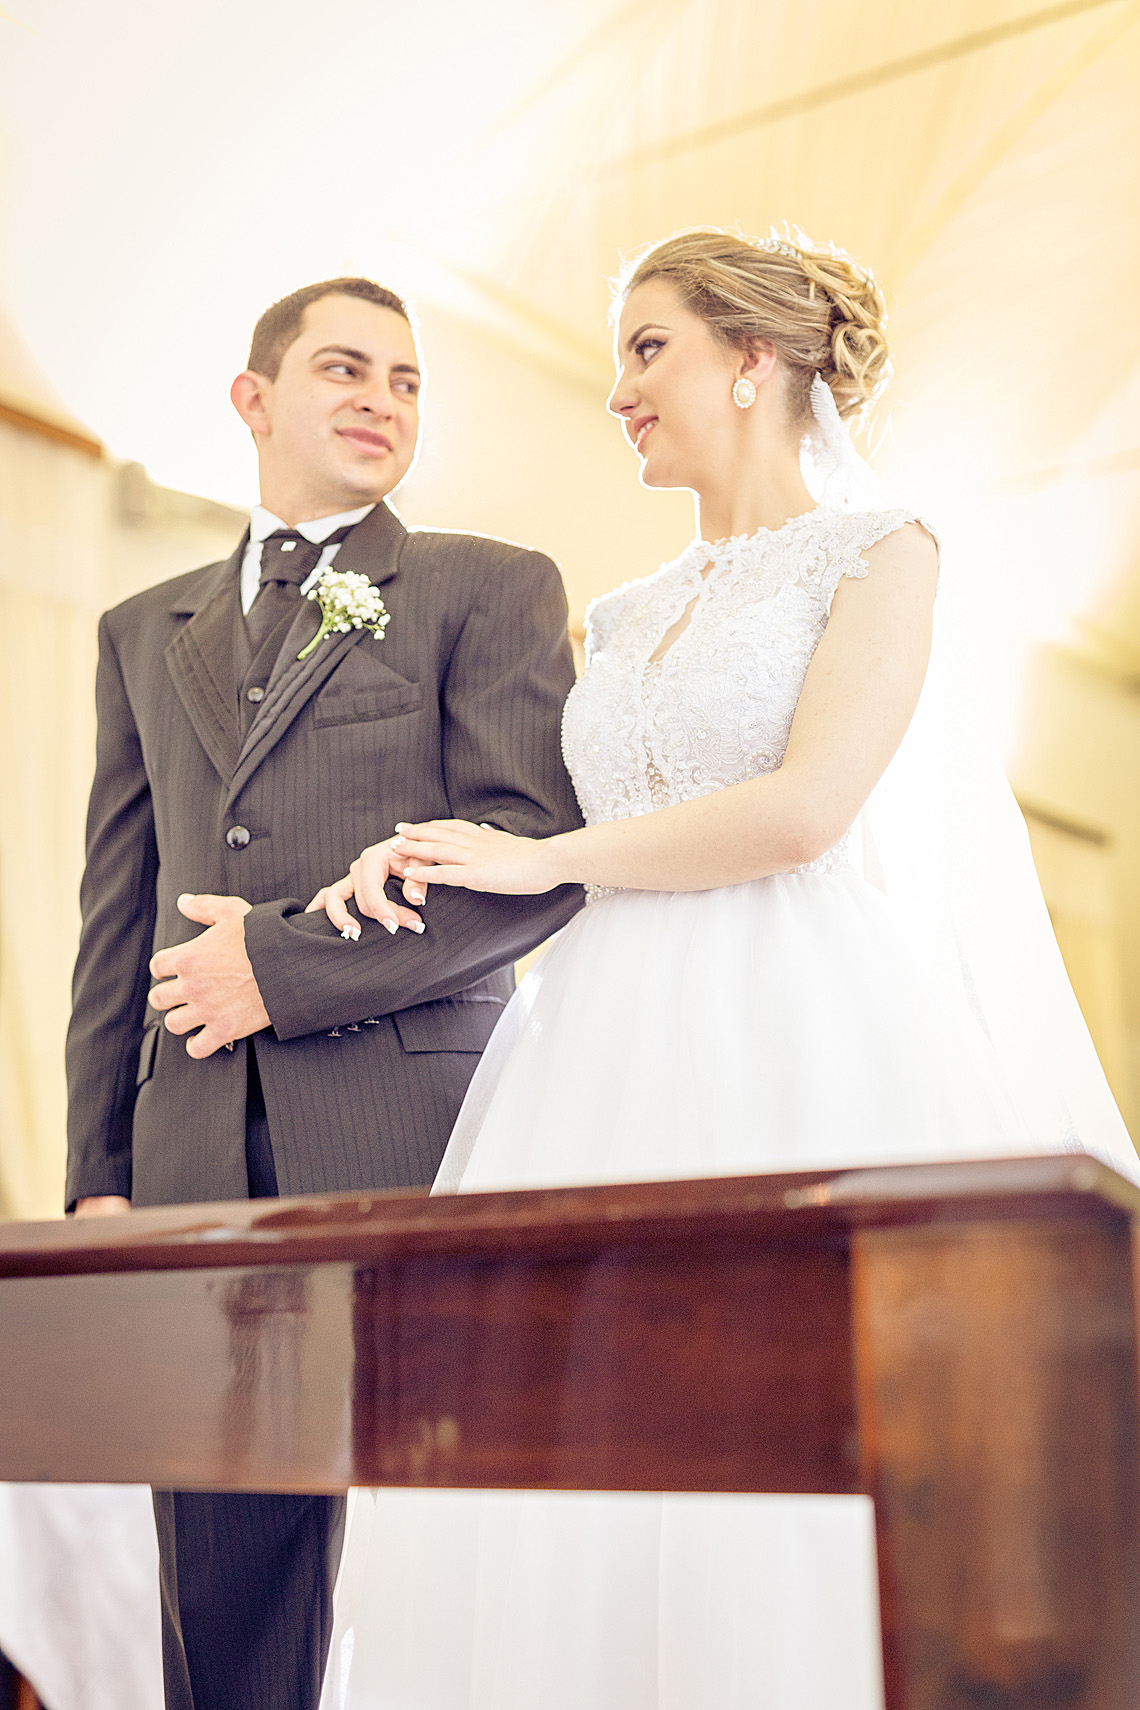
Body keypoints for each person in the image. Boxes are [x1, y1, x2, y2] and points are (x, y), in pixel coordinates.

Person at [310, 229, 1140, 1709]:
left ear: (754, 362)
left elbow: (806, 806)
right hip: (593, 1052)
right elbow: (576, 835)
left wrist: (547, 857)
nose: (617, 389)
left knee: (784, 1442)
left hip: (801, 1025)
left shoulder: (884, 554)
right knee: (577, 1436)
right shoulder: (621, 614)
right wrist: (431, 853)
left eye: (648, 349)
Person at [63, 276, 583, 1710]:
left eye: (409, 379)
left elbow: (532, 861)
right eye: (347, 367)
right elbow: (119, 915)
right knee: (221, 1596)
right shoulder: (137, 627)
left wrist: (276, 967)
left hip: (416, 1145)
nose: (383, 399)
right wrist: (100, 1168)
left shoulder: (490, 585)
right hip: (187, 1170)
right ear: (253, 398)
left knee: (448, 1576)